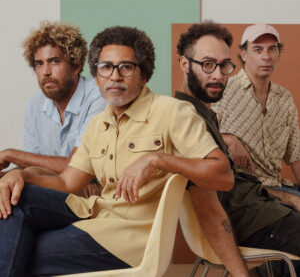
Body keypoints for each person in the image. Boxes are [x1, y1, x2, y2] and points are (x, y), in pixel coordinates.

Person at [0, 26, 234, 277]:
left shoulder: (171, 112)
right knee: (14, 198)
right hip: (96, 215)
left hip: (128, 240)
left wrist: (157, 159)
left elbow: (223, 175)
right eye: (105, 68)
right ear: (97, 76)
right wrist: (22, 177)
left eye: (126, 67)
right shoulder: (97, 124)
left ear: (143, 75)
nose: (114, 76)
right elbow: (67, 181)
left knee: (15, 246)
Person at [177, 22, 300, 277]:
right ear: (185, 64)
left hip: (261, 201)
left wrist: (286, 197)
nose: (218, 75)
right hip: (253, 218)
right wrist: (240, 273)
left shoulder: (203, 111)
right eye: (208, 64)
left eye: (223, 66)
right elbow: (209, 209)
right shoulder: (187, 119)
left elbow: (292, 156)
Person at [0, 21, 106, 196]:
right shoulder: (35, 105)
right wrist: (6, 176)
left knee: (23, 187)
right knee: (8, 185)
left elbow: (75, 167)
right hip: (50, 183)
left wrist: (10, 154)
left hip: (91, 189)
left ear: (76, 65)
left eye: (54, 61)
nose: (45, 72)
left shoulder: (98, 97)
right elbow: (31, 165)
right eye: (39, 64)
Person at [212, 24, 300, 212]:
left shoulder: (285, 98)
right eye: (258, 49)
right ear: (244, 55)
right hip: (242, 194)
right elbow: (198, 134)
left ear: (278, 55)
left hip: (278, 187)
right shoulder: (224, 91)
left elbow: (295, 155)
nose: (266, 56)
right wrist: (228, 138)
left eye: (272, 49)